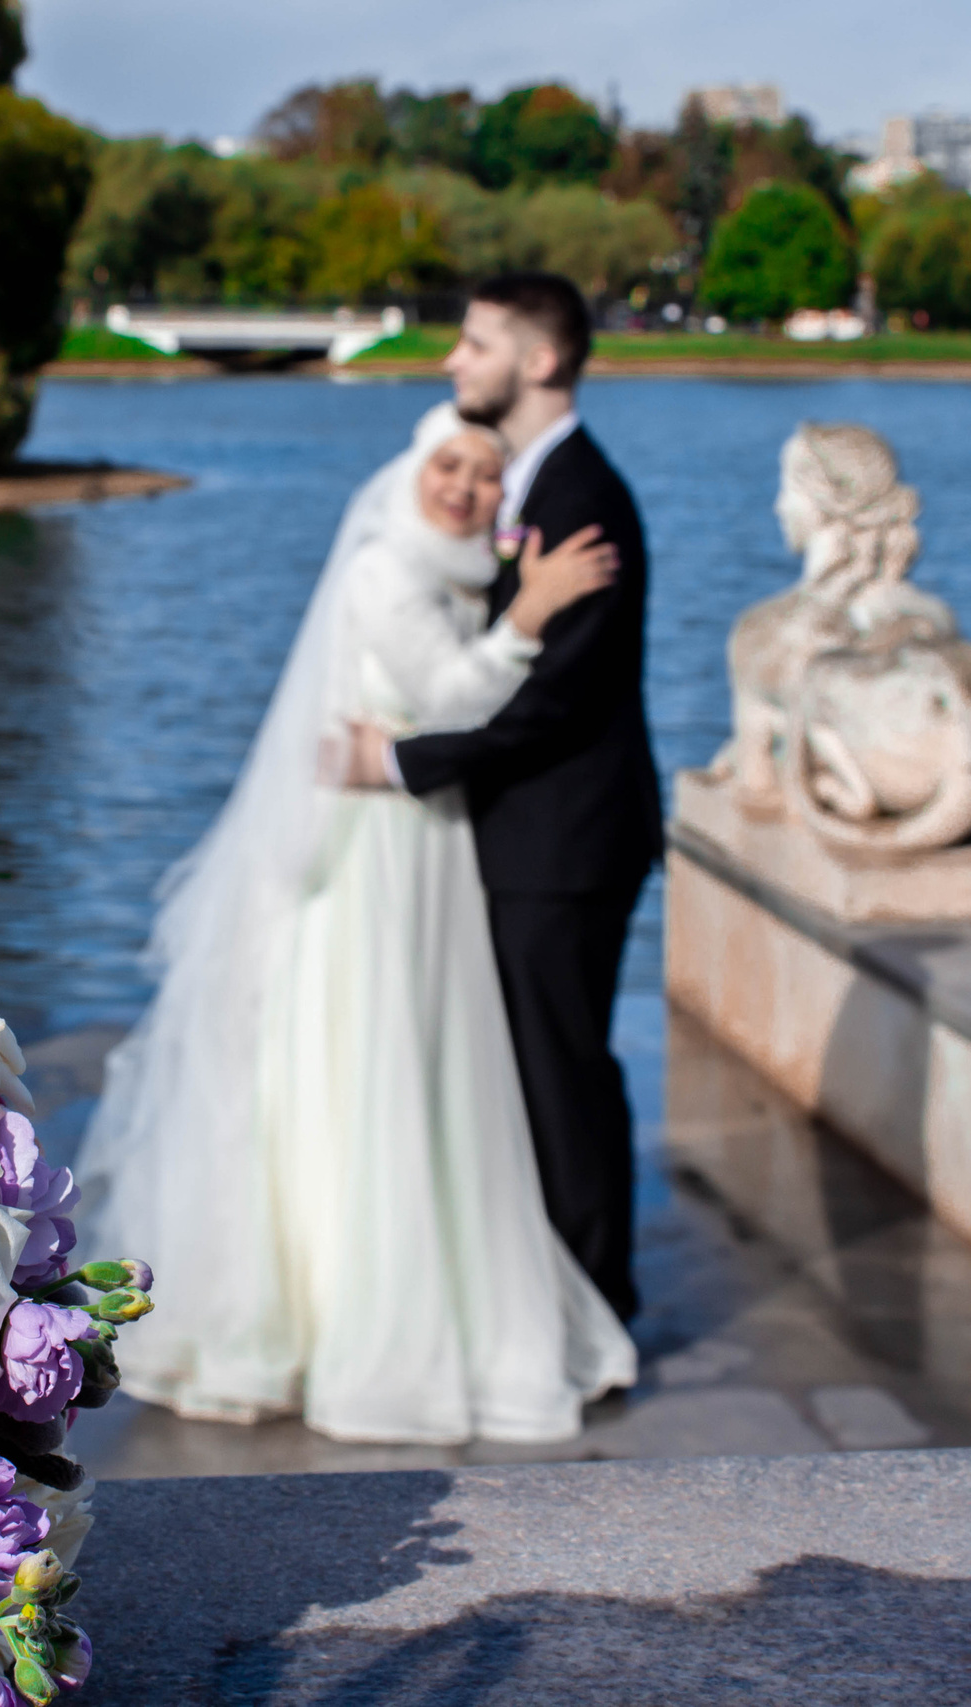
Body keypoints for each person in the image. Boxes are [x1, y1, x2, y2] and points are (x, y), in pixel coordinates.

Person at [75, 400, 638, 1444]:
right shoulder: (389, 569)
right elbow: (453, 693)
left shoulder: (447, 571)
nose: (464, 488)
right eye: (449, 466)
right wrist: (534, 614)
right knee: (367, 1057)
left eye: (484, 474)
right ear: (410, 469)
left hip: (420, 840)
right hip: (371, 859)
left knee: (414, 1061)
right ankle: (348, 1317)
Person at [342, 272, 665, 1321]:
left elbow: (559, 703)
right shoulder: (522, 490)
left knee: (561, 1072)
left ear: (538, 360)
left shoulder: (582, 501)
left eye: (475, 342)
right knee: (530, 1072)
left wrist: (399, 763)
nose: (452, 360)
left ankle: (598, 1304)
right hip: (527, 831)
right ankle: (551, 1293)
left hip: (566, 839)